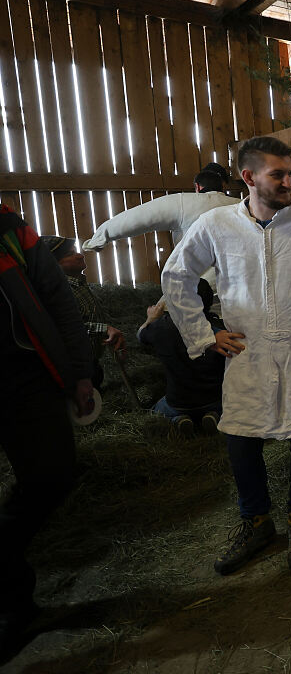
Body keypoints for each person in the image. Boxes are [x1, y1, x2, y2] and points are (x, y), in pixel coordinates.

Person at [161, 136, 291, 575]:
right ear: (249, 177)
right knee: (240, 440)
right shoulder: (217, 225)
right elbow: (176, 275)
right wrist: (203, 335)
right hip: (247, 354)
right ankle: (255, 522)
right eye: (278, 174)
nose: (289, 182)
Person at [0, 204, 93, 665]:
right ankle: (12, 606)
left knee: (52, 476)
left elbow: (58, 299)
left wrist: (79, 372)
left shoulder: (9, 226)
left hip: (23, 373)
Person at [83, 163, 239, 252]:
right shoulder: (241, 205)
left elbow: (137, 218)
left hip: (194, 285)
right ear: (222, 186)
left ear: (197, 187)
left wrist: (99, 238)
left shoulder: (183, 202)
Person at [136, 287, 225, 436]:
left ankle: (177, 420)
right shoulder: (220, 330)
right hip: (213, 398)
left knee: (154, 411)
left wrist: (150, 319)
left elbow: (140, 336)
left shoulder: (161, 327)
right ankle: (215, 415)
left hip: (178, 402)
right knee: (228, 403)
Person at [42, 236, 125, 386]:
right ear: (53, 264)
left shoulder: (79, 284)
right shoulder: (58, 292)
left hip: (90, 360)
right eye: (69, 254)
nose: (80, 255)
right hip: (74, 367)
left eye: (76, 251)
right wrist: (104, 329)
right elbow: (65, 328)